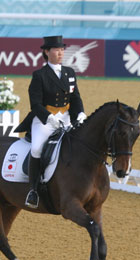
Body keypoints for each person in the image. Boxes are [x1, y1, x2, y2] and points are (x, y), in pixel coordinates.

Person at [15, 35, 87, 208]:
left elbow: (75, 97)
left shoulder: (69, 73)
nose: (61, 52)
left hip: (66, 118)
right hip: (45, 119)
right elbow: (35, 104)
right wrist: (49, 118)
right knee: (37, 148)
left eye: (62, 49)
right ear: (47, 52)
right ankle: (33, 190)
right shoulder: (39, 75)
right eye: (57, 49)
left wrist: (80, 114)